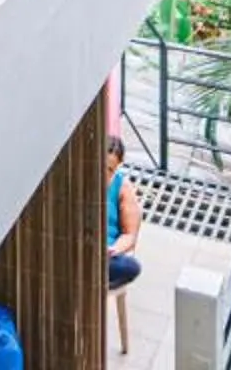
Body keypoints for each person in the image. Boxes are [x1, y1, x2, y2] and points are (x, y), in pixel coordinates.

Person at [107, 144, 144, 353]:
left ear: (118, 167)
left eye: (110, 169)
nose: (103, 174)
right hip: (82, 247)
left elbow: (130, 235)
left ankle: (97, 276)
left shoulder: (122, 188)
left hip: (108, 254)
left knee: (132, 267)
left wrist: (113, 249)